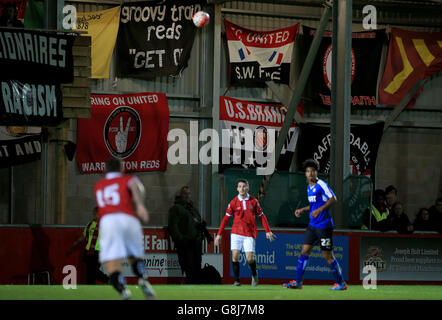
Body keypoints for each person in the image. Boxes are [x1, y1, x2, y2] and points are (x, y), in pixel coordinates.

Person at [94, 157, 156, 300]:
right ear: (122, 169)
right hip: (128, 218)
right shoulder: (128, 179)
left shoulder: (99, 185)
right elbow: (136, 186)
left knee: (112, 263)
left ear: (104, 170)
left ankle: (123, 290)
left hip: (108, 221)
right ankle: (142, 279)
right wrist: (140, 205)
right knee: (134, 255)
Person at [283, 159, 347, 291]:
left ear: (316, 172)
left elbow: (333, 199)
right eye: (307, 171)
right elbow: (313, 205)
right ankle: (298, 283)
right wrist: (303, 210)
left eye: (312, 171)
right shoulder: (308, 188)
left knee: (327, 256)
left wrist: (319, 210)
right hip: (312, 226)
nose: (310, 173)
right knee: (304, 252)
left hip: (324, 226)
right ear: (305, 174)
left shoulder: (321, 184)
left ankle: (341, 283)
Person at [214, 179, 275, 286]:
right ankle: (237, 280)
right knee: (235, 256)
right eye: (240, 186)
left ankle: (254, 274)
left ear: (248, 188)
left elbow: (262, 216)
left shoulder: (254, 201)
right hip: (236, 232)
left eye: (244, 186)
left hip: (249, 233)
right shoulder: (233, 202)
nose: (242, 189)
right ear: (237, 188)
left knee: (249, 258)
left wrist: (268, 231)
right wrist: (219, 234)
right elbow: (225, 219)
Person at [168, 186, 213, 284]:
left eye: (189, 193)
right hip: (186, 244)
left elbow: (196, 222)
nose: (187, 196)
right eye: (185, 193)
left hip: (196, 244)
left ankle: (196, 292)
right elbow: (173, 226)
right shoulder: (176, 208)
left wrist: (201, 225)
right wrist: (181, 240)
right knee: (189, 269)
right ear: (180, 195)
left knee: (197, 268)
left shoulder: (192, 209)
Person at [69, 206, 109, 284]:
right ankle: (93, 284)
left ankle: (107, 280)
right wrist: (75, 243)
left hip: (98, 251)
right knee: (91, 271)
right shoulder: (89, 225)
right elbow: (84, 236)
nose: (97, 215)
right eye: (95, 213)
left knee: (93, 271)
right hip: (89, 251)